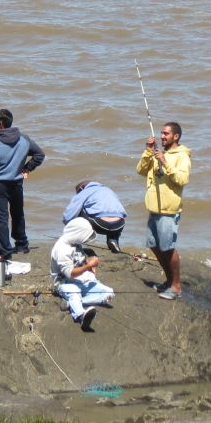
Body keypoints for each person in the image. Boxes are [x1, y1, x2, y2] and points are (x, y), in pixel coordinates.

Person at [0, 108, 45, 261]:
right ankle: (22, 245)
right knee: (17, 213)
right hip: (16, 183)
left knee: (1, 219)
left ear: (0, 124)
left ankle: (4, 251)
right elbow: (39, 155)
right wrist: (27, 168)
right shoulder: (24, 139)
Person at [135, 121, 191, 300]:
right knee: (154, 245)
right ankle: (169, 281)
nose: (162, 136)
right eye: (161, 133)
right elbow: (140, 170)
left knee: (168, 248)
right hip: (154, 208)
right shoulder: (158, 153)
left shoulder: (182, 156)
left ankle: (176, 287)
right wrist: (148, 151)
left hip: (169, 211)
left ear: (176, 136)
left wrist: (165, 162)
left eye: (166, 134)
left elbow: (182, 179)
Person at [50, 217, 114, 330]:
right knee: (74, 292)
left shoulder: (76, 243)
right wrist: (88, 266)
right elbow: (70, 274)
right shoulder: (62, 249)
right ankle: (80, 315)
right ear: (77, 234)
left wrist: (90, 265)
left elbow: (80, 260)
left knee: (109, 293)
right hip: (65, 283)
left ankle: (72, 303)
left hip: (82, 280)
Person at [62, 180, 127, 252]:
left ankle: (76, 243)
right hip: (119, 225)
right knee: (115, 215)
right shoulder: (108, 190)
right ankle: (113, 240)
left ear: (81, 188)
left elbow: (68, 215)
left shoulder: (85, 191)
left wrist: (69, 229)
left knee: (78, 210)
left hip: (100, 224)